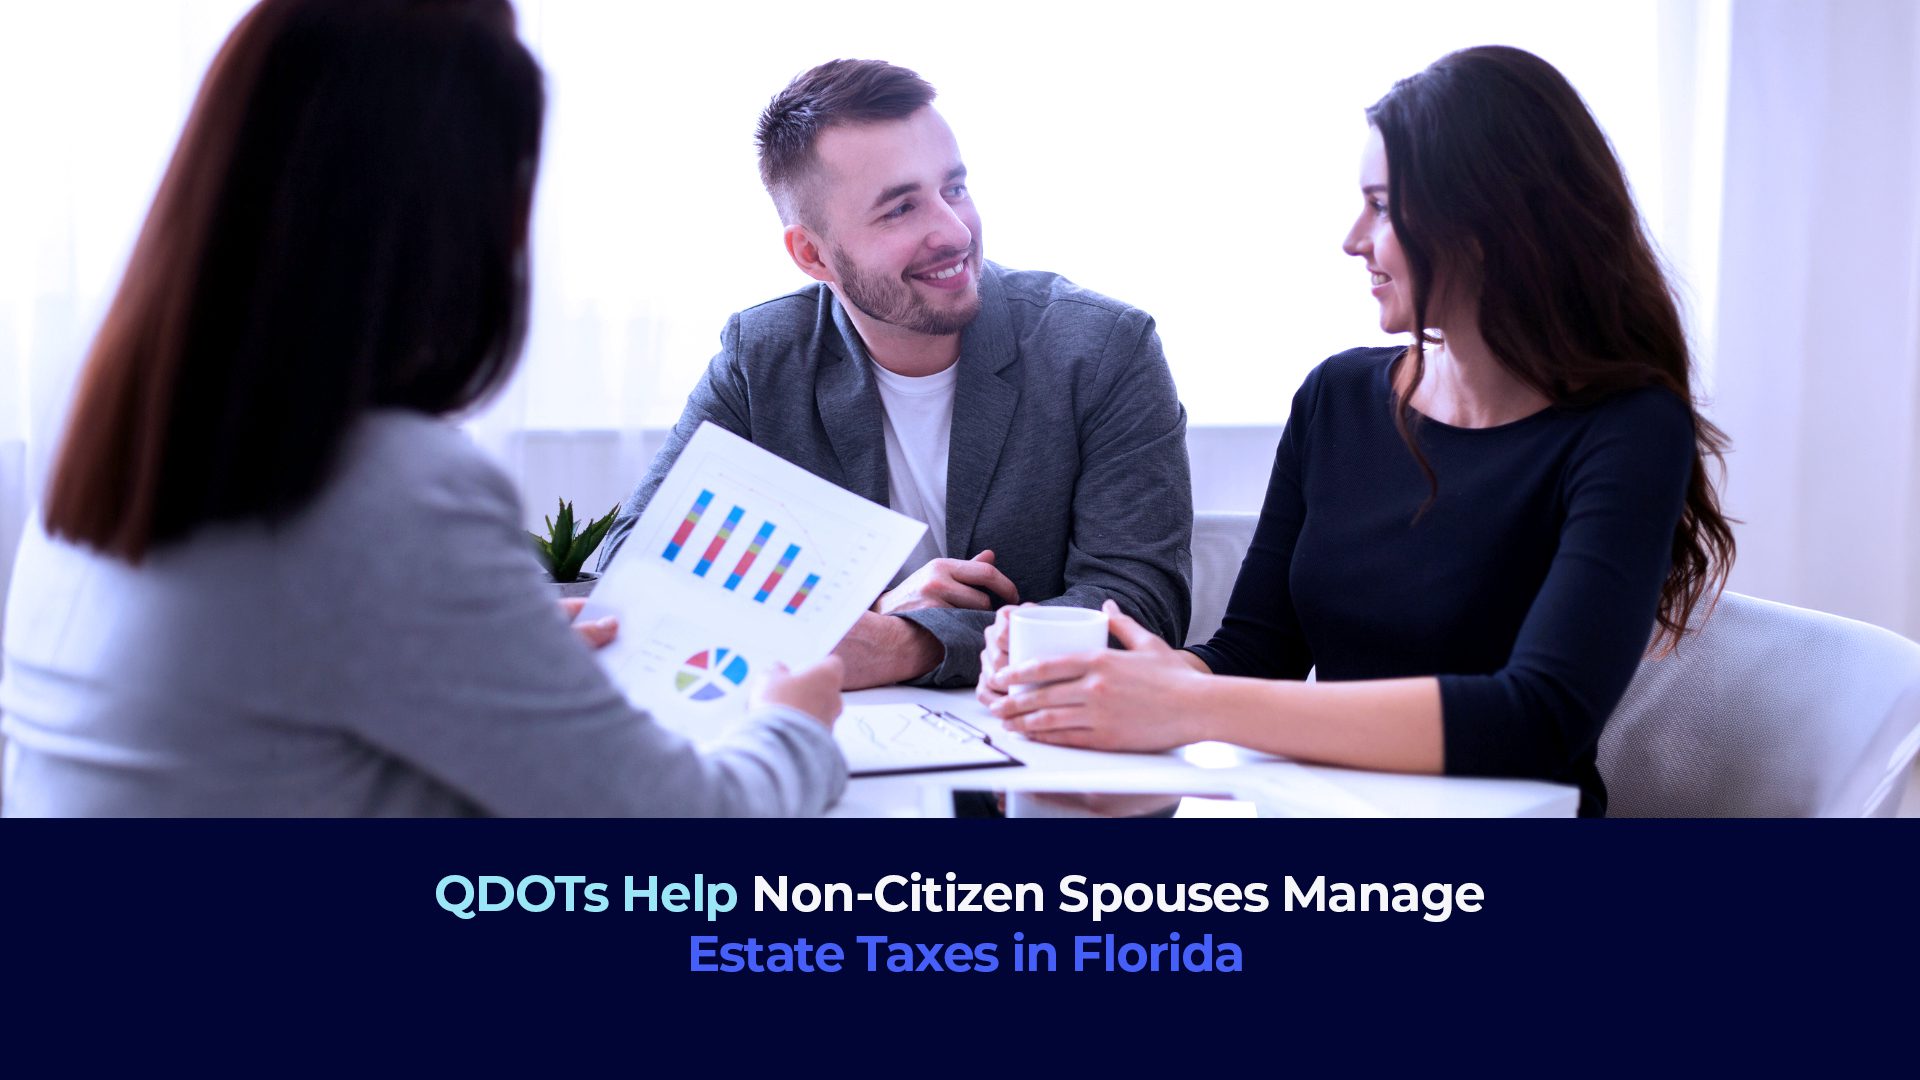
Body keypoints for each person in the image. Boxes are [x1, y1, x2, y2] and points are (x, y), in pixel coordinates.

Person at [0, 0, 845, 817]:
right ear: (451, 218)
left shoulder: (124, 450)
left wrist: (494, 638)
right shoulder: (393, 490)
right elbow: (685, 824)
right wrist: (794, 723)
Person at [981, 46, 1736, 817]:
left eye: (1381, 205)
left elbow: (1537, 720)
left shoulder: (1631, 429)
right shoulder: (1336, 398)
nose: (1352, 237)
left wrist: (1191, 705)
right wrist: (1105, 684)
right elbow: (1254, 658)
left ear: (1485, 222)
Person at [596, 59, 1192, 690]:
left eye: (954, 188)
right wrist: (874, 613)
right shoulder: (762, 357)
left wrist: (911, 643)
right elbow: (635, 569)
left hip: (1038, 752)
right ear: (813, 253)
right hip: (832, 747)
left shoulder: (1102, 348)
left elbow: (1139, 606)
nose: (953, 230)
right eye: (901, 208)